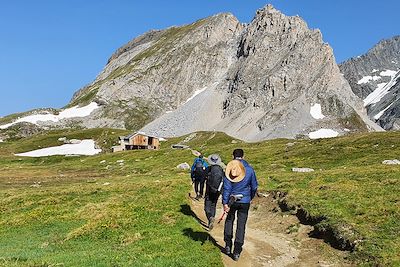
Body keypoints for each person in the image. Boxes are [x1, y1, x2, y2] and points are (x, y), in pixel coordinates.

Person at [222, 148, 258, 261]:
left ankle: (228, 245)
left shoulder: (229, 169)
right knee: (241, 225)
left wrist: (225, 203)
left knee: (229, 220)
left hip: (232, 200)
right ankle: (237, 251)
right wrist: (249, 197)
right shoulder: (250, 170)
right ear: (243, 156)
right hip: (245, 201)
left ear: (233, 156)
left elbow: (226, 188)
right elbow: (254, 187)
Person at [204, 154, 225, 230]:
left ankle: (210, 218)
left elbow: (204, 178)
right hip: (218, 191)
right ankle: (212, 217)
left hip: (209, 190)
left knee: (207, 207)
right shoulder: (221, 169)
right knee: (213, 205)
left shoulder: (208, 169)